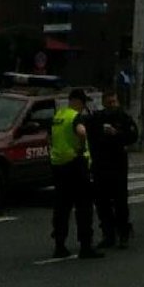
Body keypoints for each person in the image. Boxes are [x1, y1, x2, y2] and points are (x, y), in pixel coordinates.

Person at [50, 87, 103, 260]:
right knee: (84, 207)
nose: (83, 106)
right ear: (78, 102)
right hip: (76, 166)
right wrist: (81, 146)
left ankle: (59, 245)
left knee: (61, 208)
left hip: (58, 166)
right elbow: (81, 131)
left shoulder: (58, 116)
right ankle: (86, 246)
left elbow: (48, 137)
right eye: (83, 103)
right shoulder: (75, 117)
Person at [84, 87, 138, 248]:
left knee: (120, 202)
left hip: (118, 165)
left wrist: (117, 134)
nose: (111, 105)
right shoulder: (97, 119)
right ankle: (108, 234)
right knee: (102, 203)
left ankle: (123, 234)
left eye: (113, 101)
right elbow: (89, 134)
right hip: (101, 165)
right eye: (108, 102)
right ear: (103, 103)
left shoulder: (124, 118)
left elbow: (133, 136)